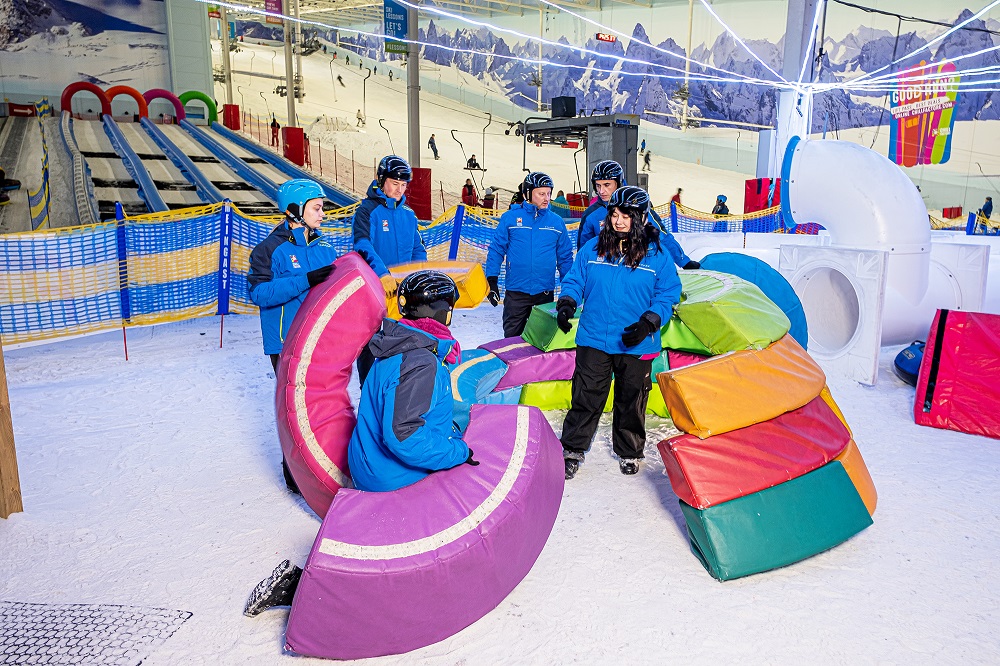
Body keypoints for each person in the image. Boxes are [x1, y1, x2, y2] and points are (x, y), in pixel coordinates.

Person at [244, 272, 478, 618]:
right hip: (394, 475)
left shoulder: (396, 343)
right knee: (426, 536)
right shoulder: (420, 361)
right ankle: (306, 586)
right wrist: (457, 451)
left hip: (368, 460)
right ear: (444, 311)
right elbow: (404, 437)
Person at [557, 186, 682, 479]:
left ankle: (629, 450)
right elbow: (575, 279)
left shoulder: (657, 255)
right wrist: (567, 303)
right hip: (594, 338)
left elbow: (668, 294)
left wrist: (648, 323)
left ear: (641, 217)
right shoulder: (593, 248)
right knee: (586, 396)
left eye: (627, 215)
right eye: (615, 214)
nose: (619, 221)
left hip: (637, 342)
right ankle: (573, 449)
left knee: (631, 398)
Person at [247, 179, 338, 491]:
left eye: (322, 207)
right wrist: (304, 280)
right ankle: (296, 476)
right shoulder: (270, 249)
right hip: (287, 342)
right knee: (296, 411)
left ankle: (326, 464)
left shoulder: (325, 247)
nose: (322, 213)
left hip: (321, 340)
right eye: (316, 208)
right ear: (293, 211)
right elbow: (258, 292)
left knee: (323, 406)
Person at [353, 155, 428, 384]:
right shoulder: (367, 211)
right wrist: (382, 274)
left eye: (404, 185)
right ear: (381, 180)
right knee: (370, 344)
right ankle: (368, 390)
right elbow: (362, 245)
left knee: (401, 342)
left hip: (402, 293)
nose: (400, 189)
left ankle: (397, 391)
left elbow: (418, 249)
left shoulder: (408, 214)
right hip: (374, 290)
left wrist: (418, 277)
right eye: (395, 184)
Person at [484, 172, 574, 338]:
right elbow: (497, 249)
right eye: (541, 194)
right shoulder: (510, 218)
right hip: (516, 293)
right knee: (512, 341)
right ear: (528, 194)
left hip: (544, 294)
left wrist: (569, 291)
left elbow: (565, 259)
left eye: (549, 193)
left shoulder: (556, 222)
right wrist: (492, 280)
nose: (546, 198)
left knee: (540, 341)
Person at [578, 161, 698, 269]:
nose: (601, 191)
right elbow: (583, 252)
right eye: (598, 186)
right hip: (607, 273)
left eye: (607, 185)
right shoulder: (591, 215)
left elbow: (662, 237)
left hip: (639, 270)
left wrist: (684, 262)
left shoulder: (638, 206)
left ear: (618, 183)